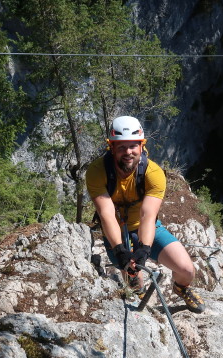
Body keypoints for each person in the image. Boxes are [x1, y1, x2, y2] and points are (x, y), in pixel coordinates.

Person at [85, 115, 205, 313]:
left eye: (133, 146)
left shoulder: (153, 173)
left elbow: (147, 216)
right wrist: (121, 250)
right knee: (133, 276)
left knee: (186, 269)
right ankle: (138, 292)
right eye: (121, 147)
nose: (128, 152)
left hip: (145, 227)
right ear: (111, 147)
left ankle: (181, 287)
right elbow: (106, 213)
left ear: (142, 146)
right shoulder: (97, 171)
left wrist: (144, 249)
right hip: (116, 228)